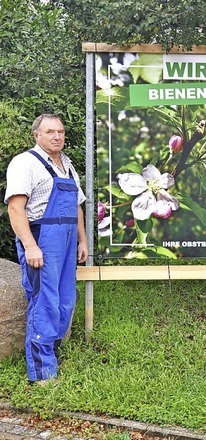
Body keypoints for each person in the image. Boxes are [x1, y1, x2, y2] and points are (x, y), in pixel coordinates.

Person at [5, 114, 88, 384]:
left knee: (65, 300)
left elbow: (76, 205)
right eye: (50, 132)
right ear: (36, 135)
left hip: (66, 241)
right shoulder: (25, 163)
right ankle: (42, 374)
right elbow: (15, 208)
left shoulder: (67, 165)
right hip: (41, 239)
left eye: (61, 132)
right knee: (44, 301)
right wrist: (30, 246)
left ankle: (52, 355)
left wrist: (83, 240)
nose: (57, 136)